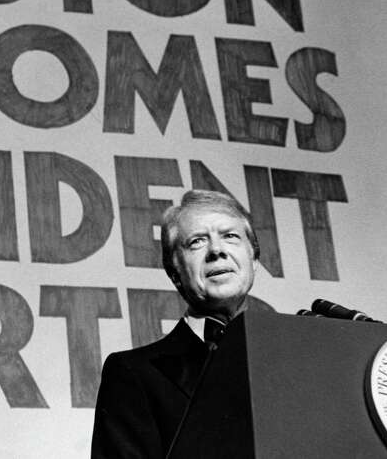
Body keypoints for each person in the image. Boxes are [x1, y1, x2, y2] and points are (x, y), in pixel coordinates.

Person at [91, 189, 261, 458]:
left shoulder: (294, 359)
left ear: (253, 259)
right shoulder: (134, 373)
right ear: (175, 273)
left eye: (230, 236)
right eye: (196, 242)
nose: (217, 250)